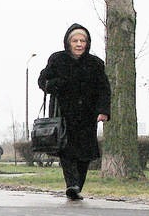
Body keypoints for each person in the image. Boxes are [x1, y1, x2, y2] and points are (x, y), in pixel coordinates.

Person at [38, 23, 111, 200]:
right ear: (68, 42)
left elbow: (104, 89)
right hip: (63, 114)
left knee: (85, 153)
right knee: (67, 150)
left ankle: (77, 186)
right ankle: (72, 184)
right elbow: (43, 81)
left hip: (87, 115)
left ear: (87, 43)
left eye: (82, 41)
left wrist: (103, 111)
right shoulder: (57, 59)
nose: (79, 44)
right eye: (75, 40)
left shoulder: (95, 63)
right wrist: (57, 83)